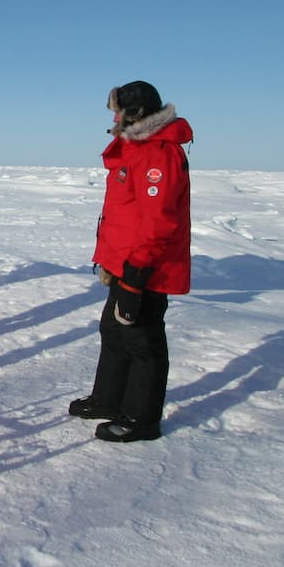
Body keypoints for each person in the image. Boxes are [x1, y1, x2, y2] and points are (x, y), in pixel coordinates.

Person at [69, 81, 193, 442]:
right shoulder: (136, 149)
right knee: (113, 330)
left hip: (146, 268)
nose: (114, 119)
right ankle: (109, 399)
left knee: (142, 339)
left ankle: (141, 418)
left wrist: (136, 275)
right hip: (122, 262)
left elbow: (157, 223)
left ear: (136, 113)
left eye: (119, 111)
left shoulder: (159, 155)